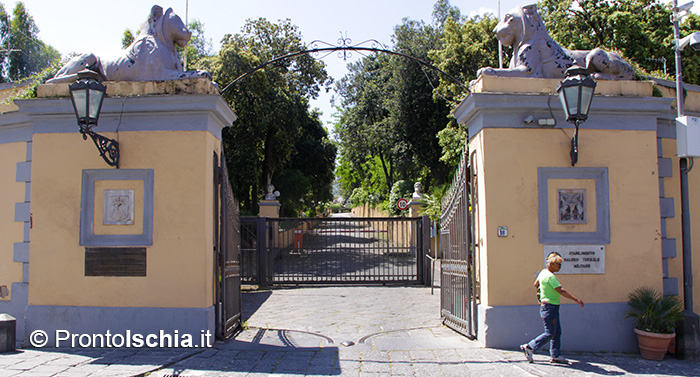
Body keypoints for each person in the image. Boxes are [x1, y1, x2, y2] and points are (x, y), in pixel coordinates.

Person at [520, 252, 584, 364]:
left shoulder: (543, 273)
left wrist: (542, 292)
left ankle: (556, 355)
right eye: (558, 264)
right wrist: (576, 299)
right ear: (552, 264)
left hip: (549, 306)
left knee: (557, 332)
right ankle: (529, 347)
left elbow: (536, 284)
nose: (560, 267)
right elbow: (561, 290)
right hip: (550, 307)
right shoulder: (551, 277)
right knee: (550, 332)